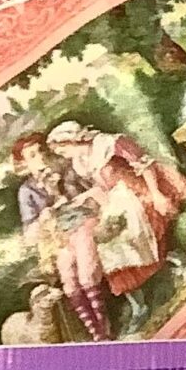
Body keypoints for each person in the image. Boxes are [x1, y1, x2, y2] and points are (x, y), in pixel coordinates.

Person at [49, 122, 186, 304]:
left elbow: (145, 165)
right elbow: (103, 188)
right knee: (106, 242)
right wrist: (85, 197)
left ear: (71, 141)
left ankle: (177, 263)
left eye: (62, 150)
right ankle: (137, 303)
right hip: (118, 200)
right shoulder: (81, 163)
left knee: (134, 231)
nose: (63, 156)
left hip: (141, 191)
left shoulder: (110, 143)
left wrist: (156, 195)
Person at [15, 130, 112, 342]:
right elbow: (30, 235)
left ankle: (104, 325)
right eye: (32, 156)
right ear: (24, 166)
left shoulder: (65, 168)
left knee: (86, 273)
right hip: (60, 237)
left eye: (41, 151)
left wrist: (62, 196)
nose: (40, 157)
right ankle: (95, 332)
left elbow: (93, 193)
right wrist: (44, 216)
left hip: (83, 222)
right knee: (69, 279)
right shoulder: (27, 191)